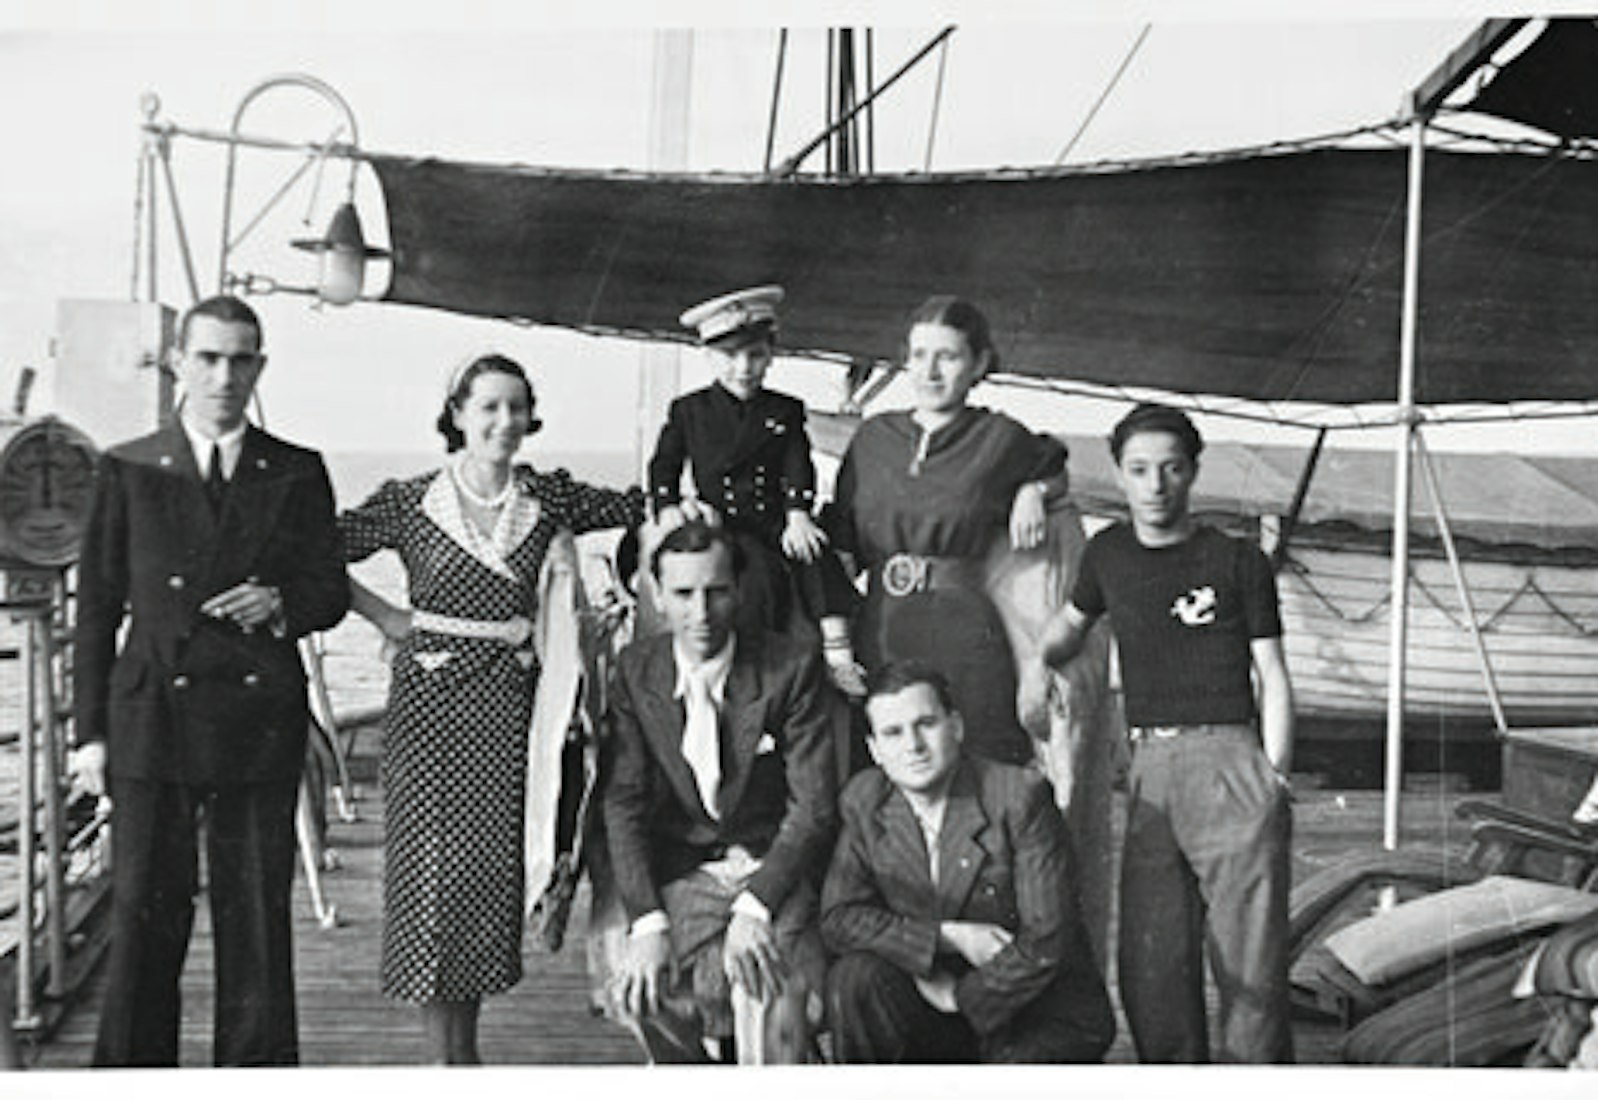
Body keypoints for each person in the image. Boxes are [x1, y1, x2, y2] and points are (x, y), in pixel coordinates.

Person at [338, 352, 643, 1064]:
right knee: (429, 876)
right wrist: (385, 616)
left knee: (483, 880)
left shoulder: (547, 500)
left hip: (509, 713)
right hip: (428, 708)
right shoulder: (411, 501)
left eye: (517, 408)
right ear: (457, 415)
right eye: (489, 408)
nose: (505, 422)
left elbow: (639, 508)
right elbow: (314, 548)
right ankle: (442, 1060)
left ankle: (464, 1053)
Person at [71, 294, 349, 1066]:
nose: (224, 375)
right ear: (178, 366)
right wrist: (87, 734)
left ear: (259, 367)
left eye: (241, 359)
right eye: (209, 358)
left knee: (256, 921)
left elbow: (328, 589)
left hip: (256, 723)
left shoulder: (294, 471)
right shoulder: (127, 468)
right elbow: (95, 609)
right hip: (152, 718)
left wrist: (282, 601)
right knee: (143, 920)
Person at [1036, 402, 1296, 1064]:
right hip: (1150, 770)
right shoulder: (1107, 553)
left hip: (1231, 758)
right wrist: (1038, 670)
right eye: (1140, 469)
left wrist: (1276, 773)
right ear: (1120, 475)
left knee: (1251, 972)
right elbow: (1066, 628)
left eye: (1172, 469)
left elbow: (1273, 673)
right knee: (1151, 967)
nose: (1156, 485)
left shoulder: (1236, 561)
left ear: (1192, 473)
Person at [601, 520, 839, 1063]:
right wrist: (648, 922)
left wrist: (757, 908)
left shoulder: (790, 666)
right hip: (689, 869)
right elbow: (624, 802)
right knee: (633, 985)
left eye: (716, 592)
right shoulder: (638, 671)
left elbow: (813, 807)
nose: (701, 614)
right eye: (683, 594)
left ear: (738, 591)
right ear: (656, 596)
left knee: (763, 980)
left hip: (770, 866)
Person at [820, 660, 1115, 1064]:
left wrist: (963, 997)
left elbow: (1048, 938)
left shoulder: (1018, 797)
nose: (913, 745)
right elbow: (839, 917)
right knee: (854, 980)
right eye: (893, 733)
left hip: (1030, 1011)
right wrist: (948, 936)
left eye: (926, 724)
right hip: (937, 996)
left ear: (955, 726)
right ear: (875, 751)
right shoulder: (865, 800)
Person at [827, 295, 1069, 766]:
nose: (930, 372)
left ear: (979, 364)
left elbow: (1054, 468)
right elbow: (840, 544)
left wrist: (1034, 491)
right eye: (919, 356)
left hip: (963, 630)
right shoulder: (874, 438)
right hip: (880, 625)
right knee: (881, 760)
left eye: (948, 357)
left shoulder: (1000, 438)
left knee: (973, 758)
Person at [649, 285, 860, 680]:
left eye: (755, 355)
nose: (743, 368)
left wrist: (799, 513)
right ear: (709, 356)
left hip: (774, 521)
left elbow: (799, 465)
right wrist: (669, 508)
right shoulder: (689, 411)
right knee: (748, 578)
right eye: (730, 356)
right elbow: (664, 466)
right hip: (721, 525)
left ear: (771, 356)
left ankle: (838, 649)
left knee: (815, 554)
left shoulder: (785, 409)